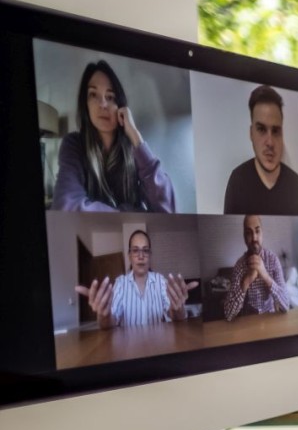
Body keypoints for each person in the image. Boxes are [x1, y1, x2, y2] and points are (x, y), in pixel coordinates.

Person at [51, 60, 176, 213]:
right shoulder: (74, 144)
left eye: (110, 97)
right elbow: (65, 206)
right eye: (93, 95)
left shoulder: (134, 150)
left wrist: (136, 137)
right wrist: (134, 212)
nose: (102, 104)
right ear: (86, 104)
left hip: (134, 236)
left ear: (121, 106)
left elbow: (167, 210)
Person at [76, 229, 197, 329]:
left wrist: (178, 309)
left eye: (145, 250)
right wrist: (104, 315)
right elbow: (110, 323)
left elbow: (175, 316)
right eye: (135, 250)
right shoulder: (120, 283)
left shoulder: (161, 281)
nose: (140, 256)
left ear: (150, 255)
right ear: (129, 256)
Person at [222, 85, 298, 215]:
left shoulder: (296, 185)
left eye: (275, 131)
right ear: (251, 133)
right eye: (261, 129)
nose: (270, 142)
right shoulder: (238, 181)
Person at [223, 214, 293, 321]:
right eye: (249, 233)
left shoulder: (273, 260)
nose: (254, 238)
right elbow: (228, 314)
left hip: (270, 319)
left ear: (262, 233)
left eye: (257, 231)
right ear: (244, 237)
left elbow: (286, 305)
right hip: (248, 322)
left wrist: (265, 275)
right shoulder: (239, 266)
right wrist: (246, 280)